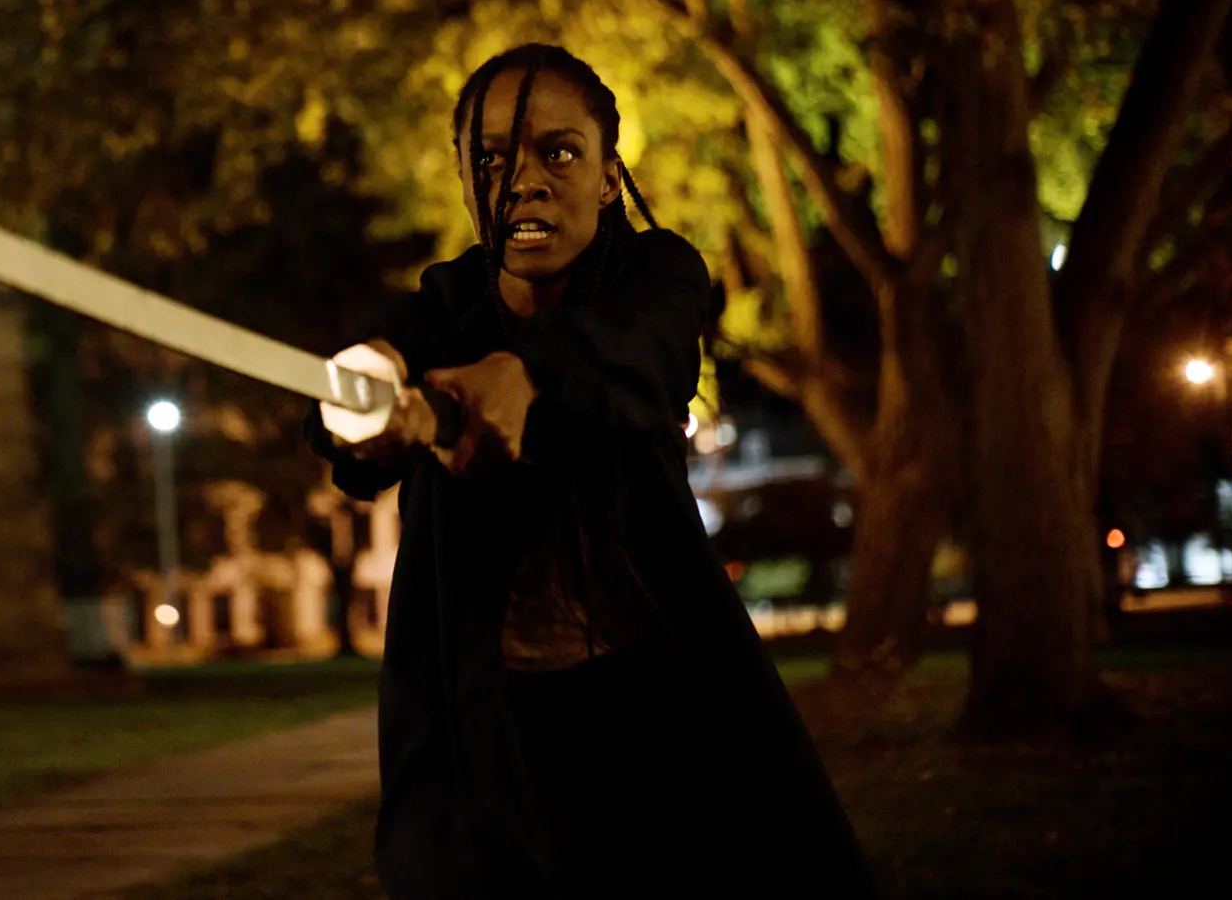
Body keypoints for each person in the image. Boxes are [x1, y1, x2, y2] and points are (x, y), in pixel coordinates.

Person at [307, 44, 876, 898]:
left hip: (659, 716)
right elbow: (381, 363)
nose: (524, 180)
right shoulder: (447, 308)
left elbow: (635, 354)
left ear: (610, 176)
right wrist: (373, 399)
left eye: (557, 152)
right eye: (491, 157)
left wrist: (524, 377)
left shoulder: (656, 277)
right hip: (488, 738)